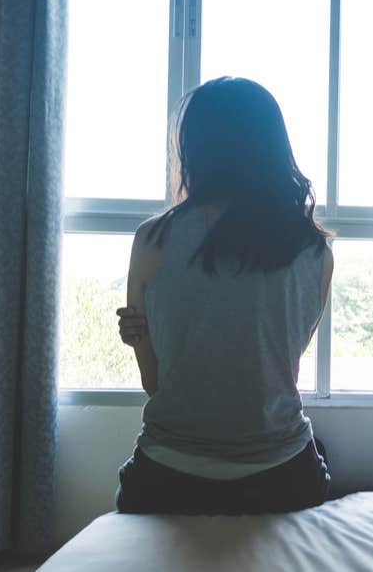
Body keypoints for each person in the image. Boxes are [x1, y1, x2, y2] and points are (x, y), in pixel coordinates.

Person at [113, 77, 333, 515]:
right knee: (317, 449)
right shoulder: (314, 251)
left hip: (168, 478)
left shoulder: (152, 239)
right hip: (281, 478)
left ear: (194, 149)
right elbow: (276, 371)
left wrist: (141, 337)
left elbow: (155, 385)